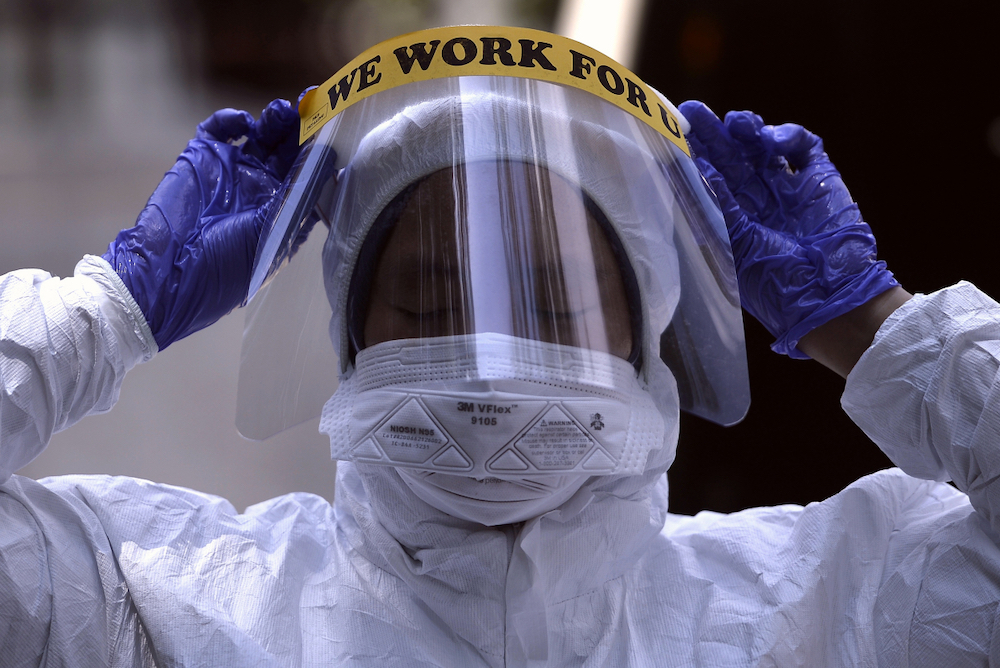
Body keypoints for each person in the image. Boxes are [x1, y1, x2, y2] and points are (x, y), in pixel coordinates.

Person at [2, 25, 1000, 667]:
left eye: (552, 299)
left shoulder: (825, 605)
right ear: (356, 336)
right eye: (435, 295)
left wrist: (875, 326)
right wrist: (110, 307)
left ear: (640, 334)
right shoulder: (158, 599)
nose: (489, 348)